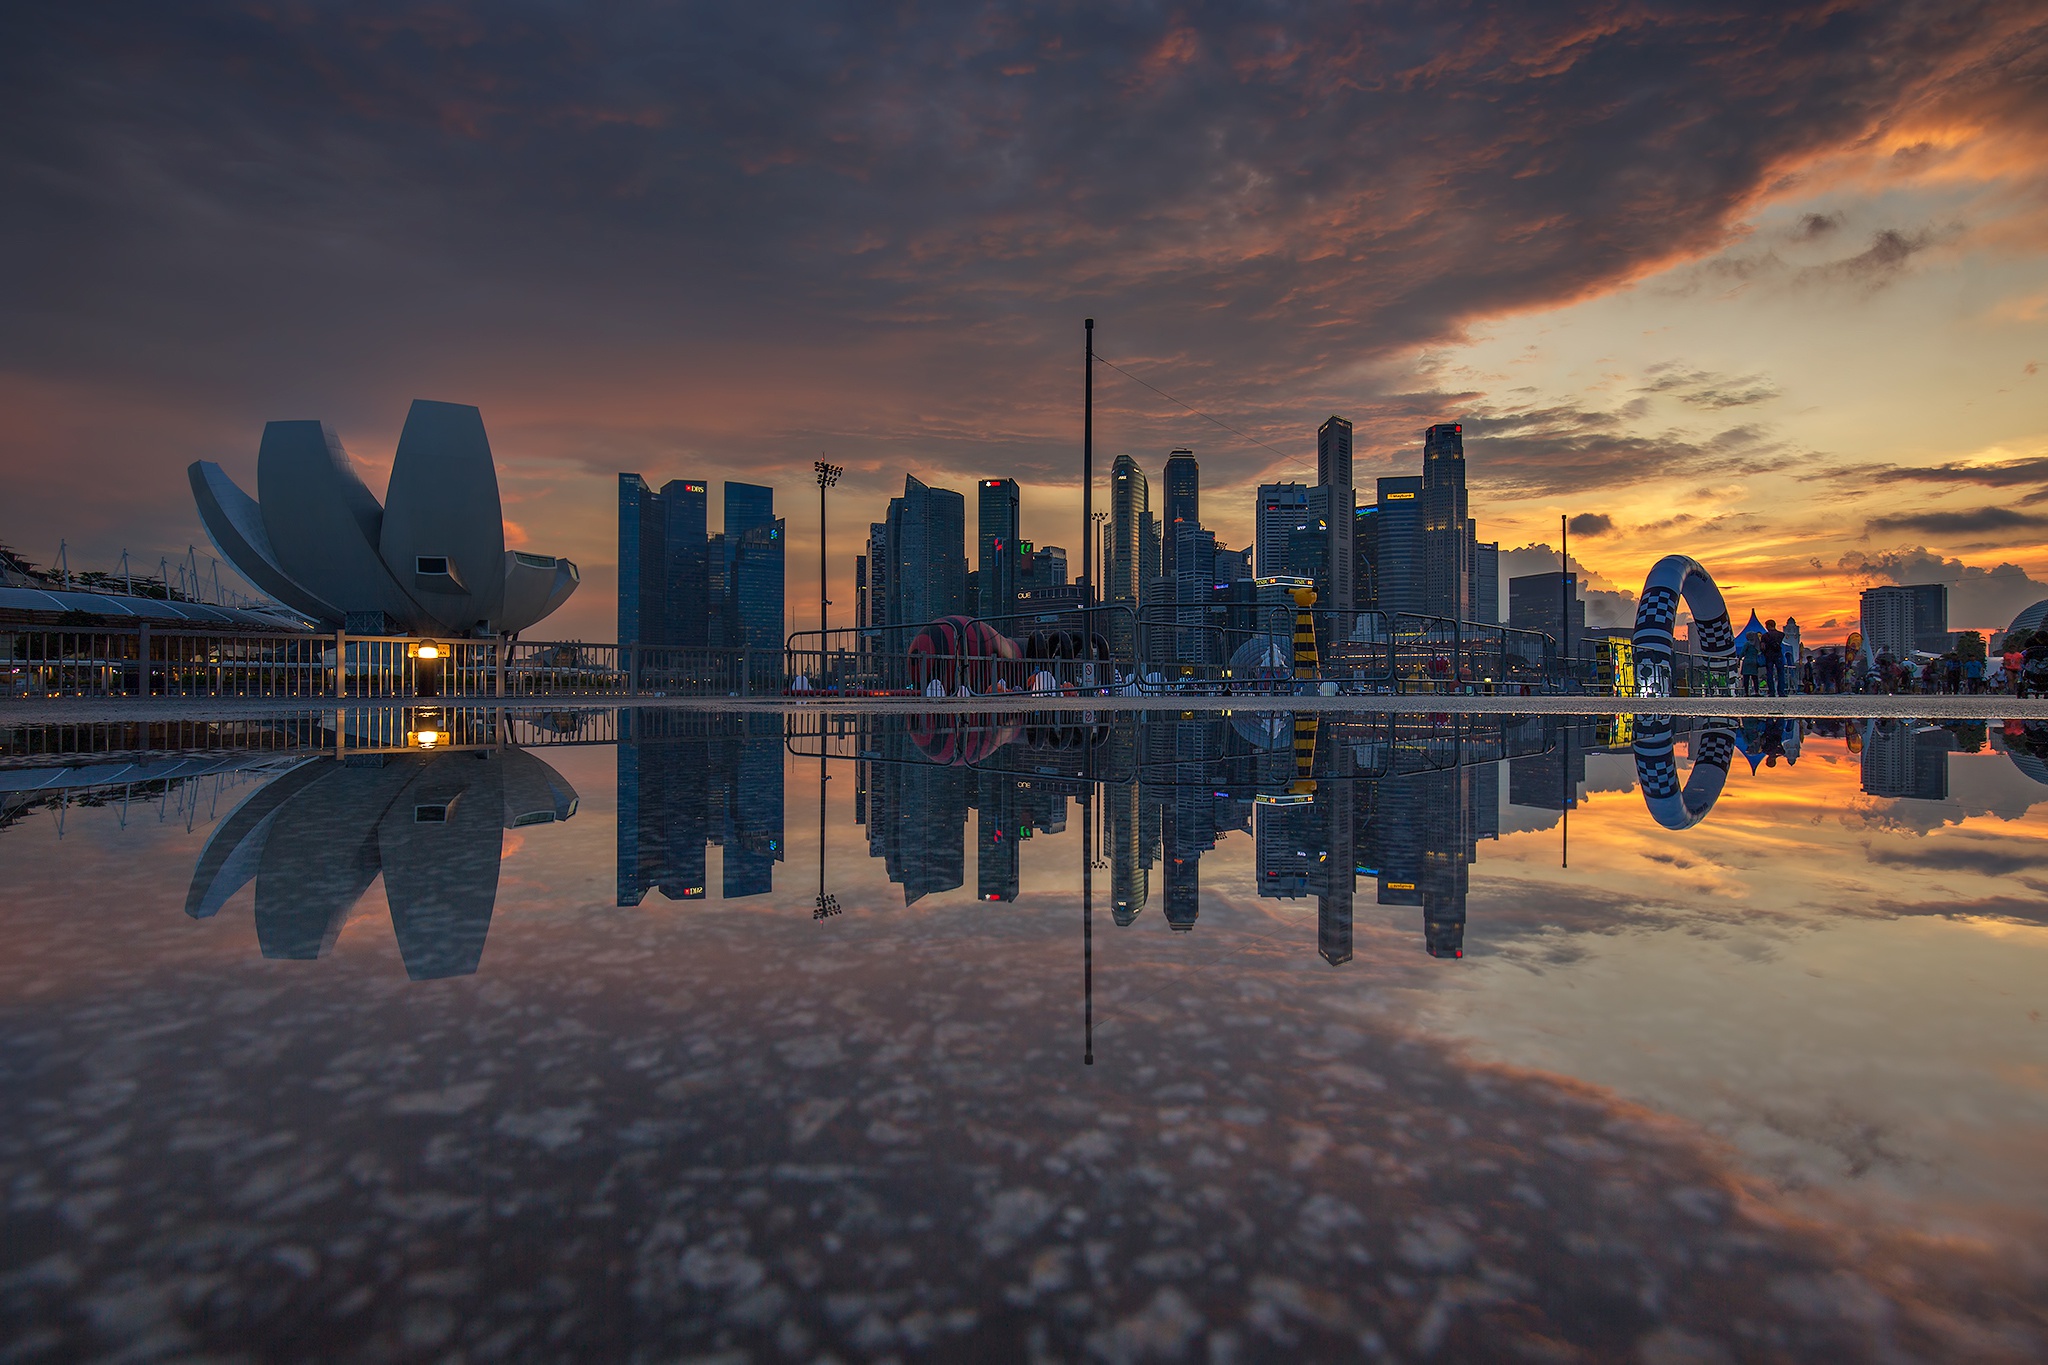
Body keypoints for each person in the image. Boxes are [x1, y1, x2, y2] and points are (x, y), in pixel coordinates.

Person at [1762, 618, 1787, 697]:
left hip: (1769, 656)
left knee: (1769, 673)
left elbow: (1762, 647)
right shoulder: (1781, 634)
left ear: (1768, 626)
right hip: (1778, 655)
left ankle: (1772, 691)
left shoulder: (1765, 636)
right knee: (1781, 673)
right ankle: (1781, 691)